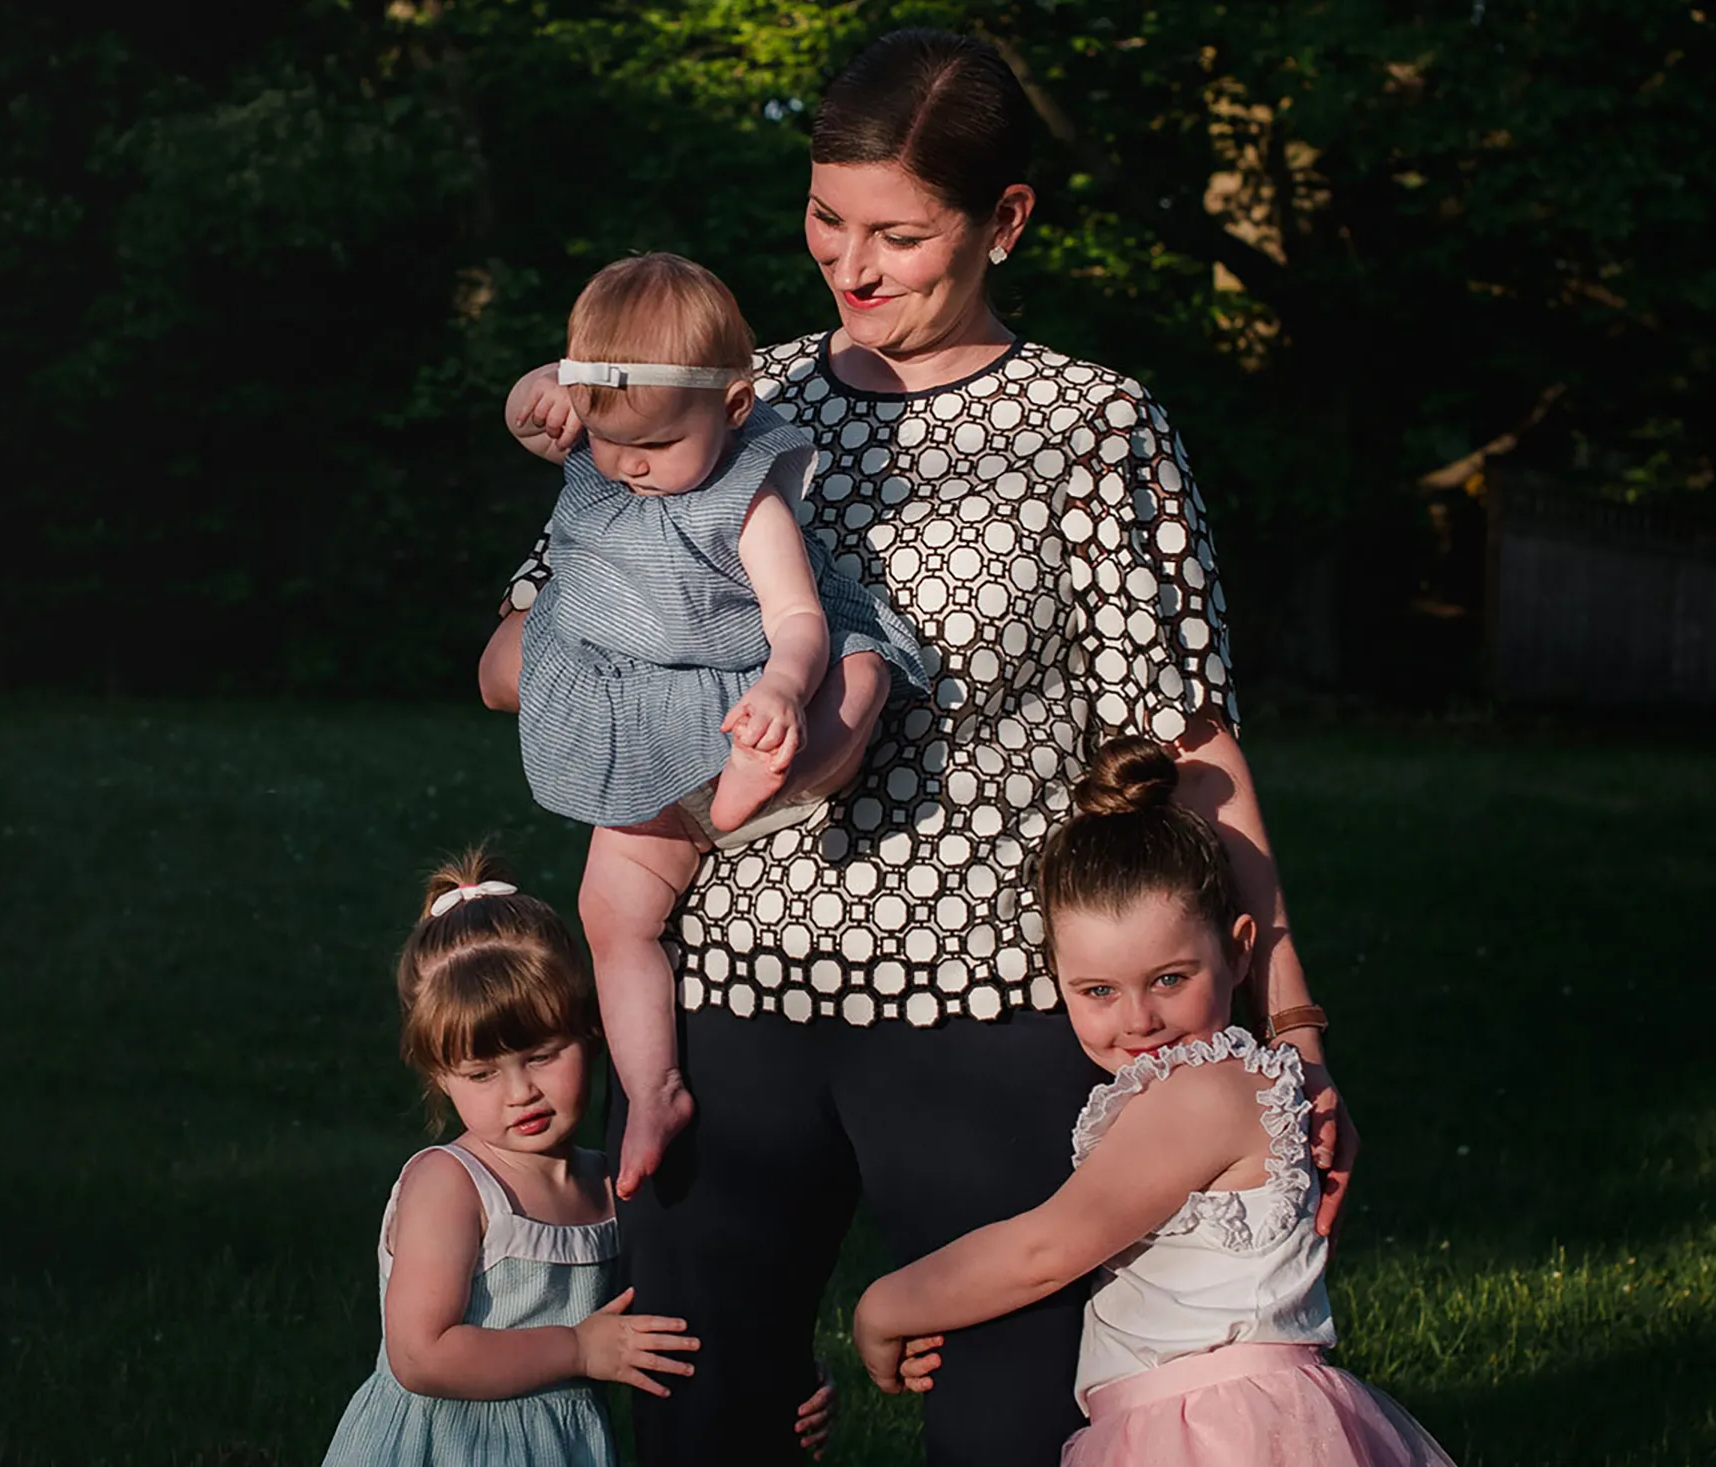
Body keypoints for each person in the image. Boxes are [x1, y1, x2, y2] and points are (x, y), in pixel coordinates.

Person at [482, 29, 1359, 1467]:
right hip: (728, 997)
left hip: (994, 1013)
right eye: (828, 217)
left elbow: (1190, 747)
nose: (851, 262)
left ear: (1006, 219)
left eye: (901, 232)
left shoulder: (1095, 430)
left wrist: (1294, 1022)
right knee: (704, 1420)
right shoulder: (723, 392)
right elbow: (521, 647)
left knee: (1010, 1430)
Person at [850, 739, 1452, 1466]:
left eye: (1169, 978)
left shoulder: (1199, 1095)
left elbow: (1046, 1250)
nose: (1137, 1020)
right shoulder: (1226, 1082)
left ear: (1238, 952)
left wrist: (883, 1307)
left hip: (1209, 1435)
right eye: (1099, 990)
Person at [496, 253, 928, 1201]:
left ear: (735, 410)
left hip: (740, 691)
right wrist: (547, 390)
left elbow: (800, 617)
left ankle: (773, 765)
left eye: (652, 444)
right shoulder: (609, 439)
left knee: (857, 664)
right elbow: (538, 408)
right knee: (610, 917)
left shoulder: (749, 499)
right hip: (638, 715)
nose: (628, 465)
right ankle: (653, 1090)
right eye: (609, 444)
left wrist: (781, 685)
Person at [319, 850, 833, 1465]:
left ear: (591, 1033)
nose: (521, 1092)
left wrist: (782, 1374)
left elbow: (686, 1308)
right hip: (444, 1446)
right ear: (441, 1078)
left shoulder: (610, 1184)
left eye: (542, 1055)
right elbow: (421, 1355)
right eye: (482, 1073)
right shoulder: (452, 1186)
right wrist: (579, 1352)